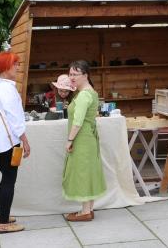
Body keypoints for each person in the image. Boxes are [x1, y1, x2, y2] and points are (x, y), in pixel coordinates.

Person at [0, 52, 31, 233]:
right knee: (9, 180)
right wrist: (25, 140)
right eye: (15, 64)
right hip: (7, 141)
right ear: (5, 67)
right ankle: (4, 223)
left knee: (6, 178)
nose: (18, 67)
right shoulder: (7, 89)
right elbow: (15, 118)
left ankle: (3, 215)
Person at [63, 60, 106, 221]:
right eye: (70, 74)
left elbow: (78, 121)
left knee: (82, 173)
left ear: (85, 75)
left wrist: (69, 140)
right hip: (88, 138)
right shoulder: (90, 92)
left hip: (82, 139)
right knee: (87, 172)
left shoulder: (84, 95)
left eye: (75, 74)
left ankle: (85, 211)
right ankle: (89, 208)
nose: (72, 77)